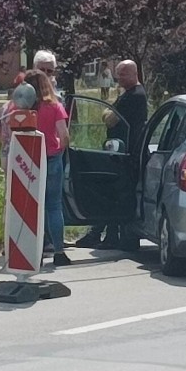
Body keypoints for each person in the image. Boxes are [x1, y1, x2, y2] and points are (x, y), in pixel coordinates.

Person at [75, 60, 148, 249]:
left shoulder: (134, 96)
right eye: (118, 74)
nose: (119, 78)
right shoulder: (128, 95)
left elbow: (109, 119)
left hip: (126, 153)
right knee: (111, 192)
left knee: (113, 193)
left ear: (134, 73)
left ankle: (106, 235)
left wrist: (109, 110)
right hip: (119, 151)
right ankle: (105, 234)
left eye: (123, 74)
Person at [24, 68, 72, 267]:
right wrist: (58, 150)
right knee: (53, 205)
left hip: (28, 158)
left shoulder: (22, 109)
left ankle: (35, 249)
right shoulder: (55, 106)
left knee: (32, 206)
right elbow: (64, 135)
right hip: (51, 158)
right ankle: (59, 251)